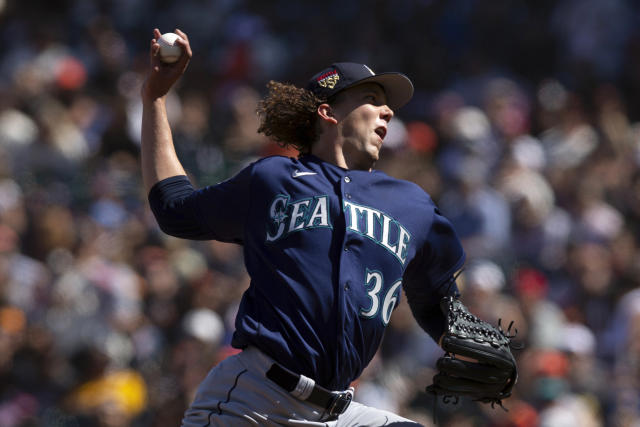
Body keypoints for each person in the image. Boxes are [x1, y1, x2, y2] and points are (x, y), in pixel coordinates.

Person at [141, 28, 466, 426]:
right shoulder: (274, 178)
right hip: (256, 401)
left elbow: (436, 296)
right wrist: (155, 99)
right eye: (372, 99)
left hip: (339, 412)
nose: (388, 112)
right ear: (328, 112)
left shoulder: (411, 204)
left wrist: (463, 340)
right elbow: (174, 207)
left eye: (387, 105)